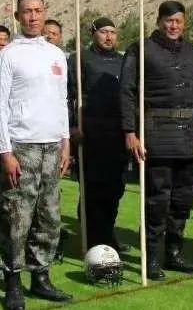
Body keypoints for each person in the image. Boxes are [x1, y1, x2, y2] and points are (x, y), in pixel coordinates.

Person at [121, 0, 193, 280]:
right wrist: (130, 132)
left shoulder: (191, 52)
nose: (173, 26)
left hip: (189, 135)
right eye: (169, 20)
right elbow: (127, 91)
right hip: (157, 133)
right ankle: (151, 258)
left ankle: (174, 254)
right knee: (157, 201)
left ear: (184, 23)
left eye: (178, 21)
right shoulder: (140, 49)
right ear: (159, 21)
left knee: (183, 199)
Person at [0, 0, 72, 309]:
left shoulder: (56, 55)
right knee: (18, 218)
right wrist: (5, 151)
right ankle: (13, 281)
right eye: (27, 11)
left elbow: (62, 101)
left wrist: (65, 142)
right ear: (17, 16)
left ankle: (41, 276)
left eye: (38, 10)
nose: (33, 16)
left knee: (49, 216)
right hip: (21, 146)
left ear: (45, 12)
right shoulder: (8, 55)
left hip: (53, 146)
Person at [67, 16, 127, 251]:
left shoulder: (123, 61)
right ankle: (93, 238)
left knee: (115, 190)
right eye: (103, 32)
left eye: (112, 32)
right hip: (90, 133)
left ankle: (107, 232)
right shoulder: (80, 59)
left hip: (117, 134)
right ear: (93, 34)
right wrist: (73, 125)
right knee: (92, 189)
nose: (109, 37)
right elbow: (68, 95)